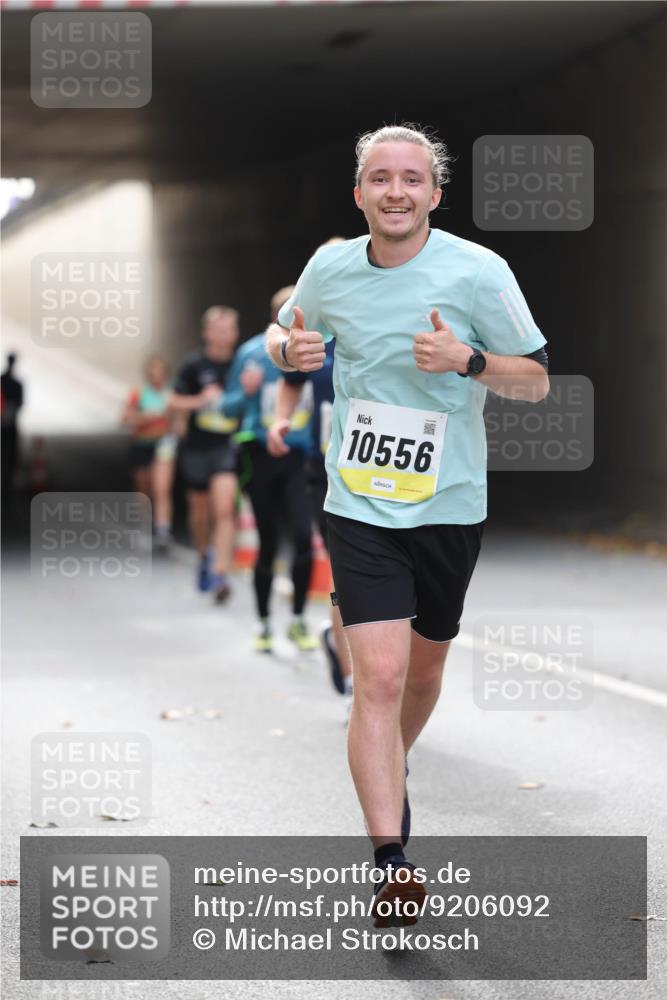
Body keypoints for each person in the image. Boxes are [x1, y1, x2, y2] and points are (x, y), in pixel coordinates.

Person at [266, 124, 549, 927]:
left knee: (420, 677)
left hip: (448, 505)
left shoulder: (478, 271)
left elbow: (535, 381)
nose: (396, 191)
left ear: (434, 193)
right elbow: (283, 330)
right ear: (359, 194)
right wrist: (290, 352)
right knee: (380, 679)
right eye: (380, 178)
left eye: (411, 179)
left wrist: (468, 361)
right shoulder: (331, 268)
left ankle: (389, 765)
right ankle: (390, 860)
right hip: (358, 500)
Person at [267, 247, 354, 701]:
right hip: (329, 472)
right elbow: (290, 381)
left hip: (386, 471)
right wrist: (281, 420)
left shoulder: (386, 326)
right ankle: (353, 678)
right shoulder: (316, 337)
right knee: (347, 572)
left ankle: (347, 650)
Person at [222, 287, 318, 653]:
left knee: (303, 540)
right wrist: (244, 393)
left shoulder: (316, 352)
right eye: (288, 316)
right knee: (268, 543)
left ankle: (297, 618)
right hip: (260, 455)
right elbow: (226, 409)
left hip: (299, 458)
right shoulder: (251, 354)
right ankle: (263, 622)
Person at [170, 306, 240, 602]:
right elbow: (173, 400)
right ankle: (203, 555)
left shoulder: (242, 363)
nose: (225, 334)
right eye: (219, 329)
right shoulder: (194, 365)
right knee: (200, 513)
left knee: (224, 509)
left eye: (230, 328)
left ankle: (220, 573)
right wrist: (200, 400)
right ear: (207, 332)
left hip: (227, 446)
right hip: (197, 447)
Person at [121, 355, 179, 551]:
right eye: (153, 371)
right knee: (143, 488)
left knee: (161, 488)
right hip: (141, 443)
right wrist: (144, 417)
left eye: (160, 371)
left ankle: (163, 530)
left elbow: (179, 423)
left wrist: (172, 425)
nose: (156, 375)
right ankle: (144, 527)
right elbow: (124, 418)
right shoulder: (138, 394)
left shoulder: (173, 395)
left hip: (163, 445)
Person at [1, 352, 24, 500]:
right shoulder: (16, 384)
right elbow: (20, 403)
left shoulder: (9, 383)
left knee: (10, 455)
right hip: (9, 425)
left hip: (8, 425)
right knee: (10, 455)